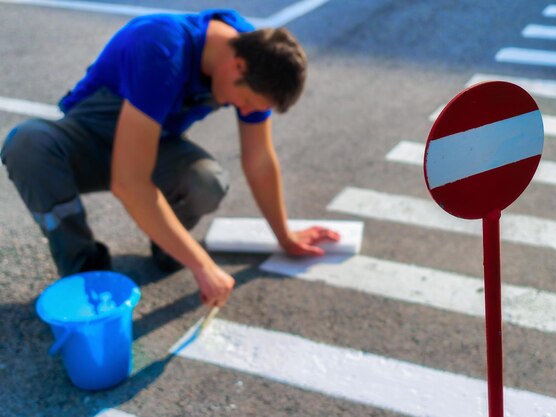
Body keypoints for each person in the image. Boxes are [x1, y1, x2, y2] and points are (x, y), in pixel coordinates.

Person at [1, 8, 340, 308]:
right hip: (87, 141)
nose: (246, 111)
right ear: (237, 66)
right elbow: (129, 183)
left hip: (151, 145)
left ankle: (169, 246)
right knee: (27, 144)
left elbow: (259, 158)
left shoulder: (256, 58)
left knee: (205, 182)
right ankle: (85, 270)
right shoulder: (162, 46)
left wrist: (285, 237)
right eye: (248, 101)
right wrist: (202, 265)